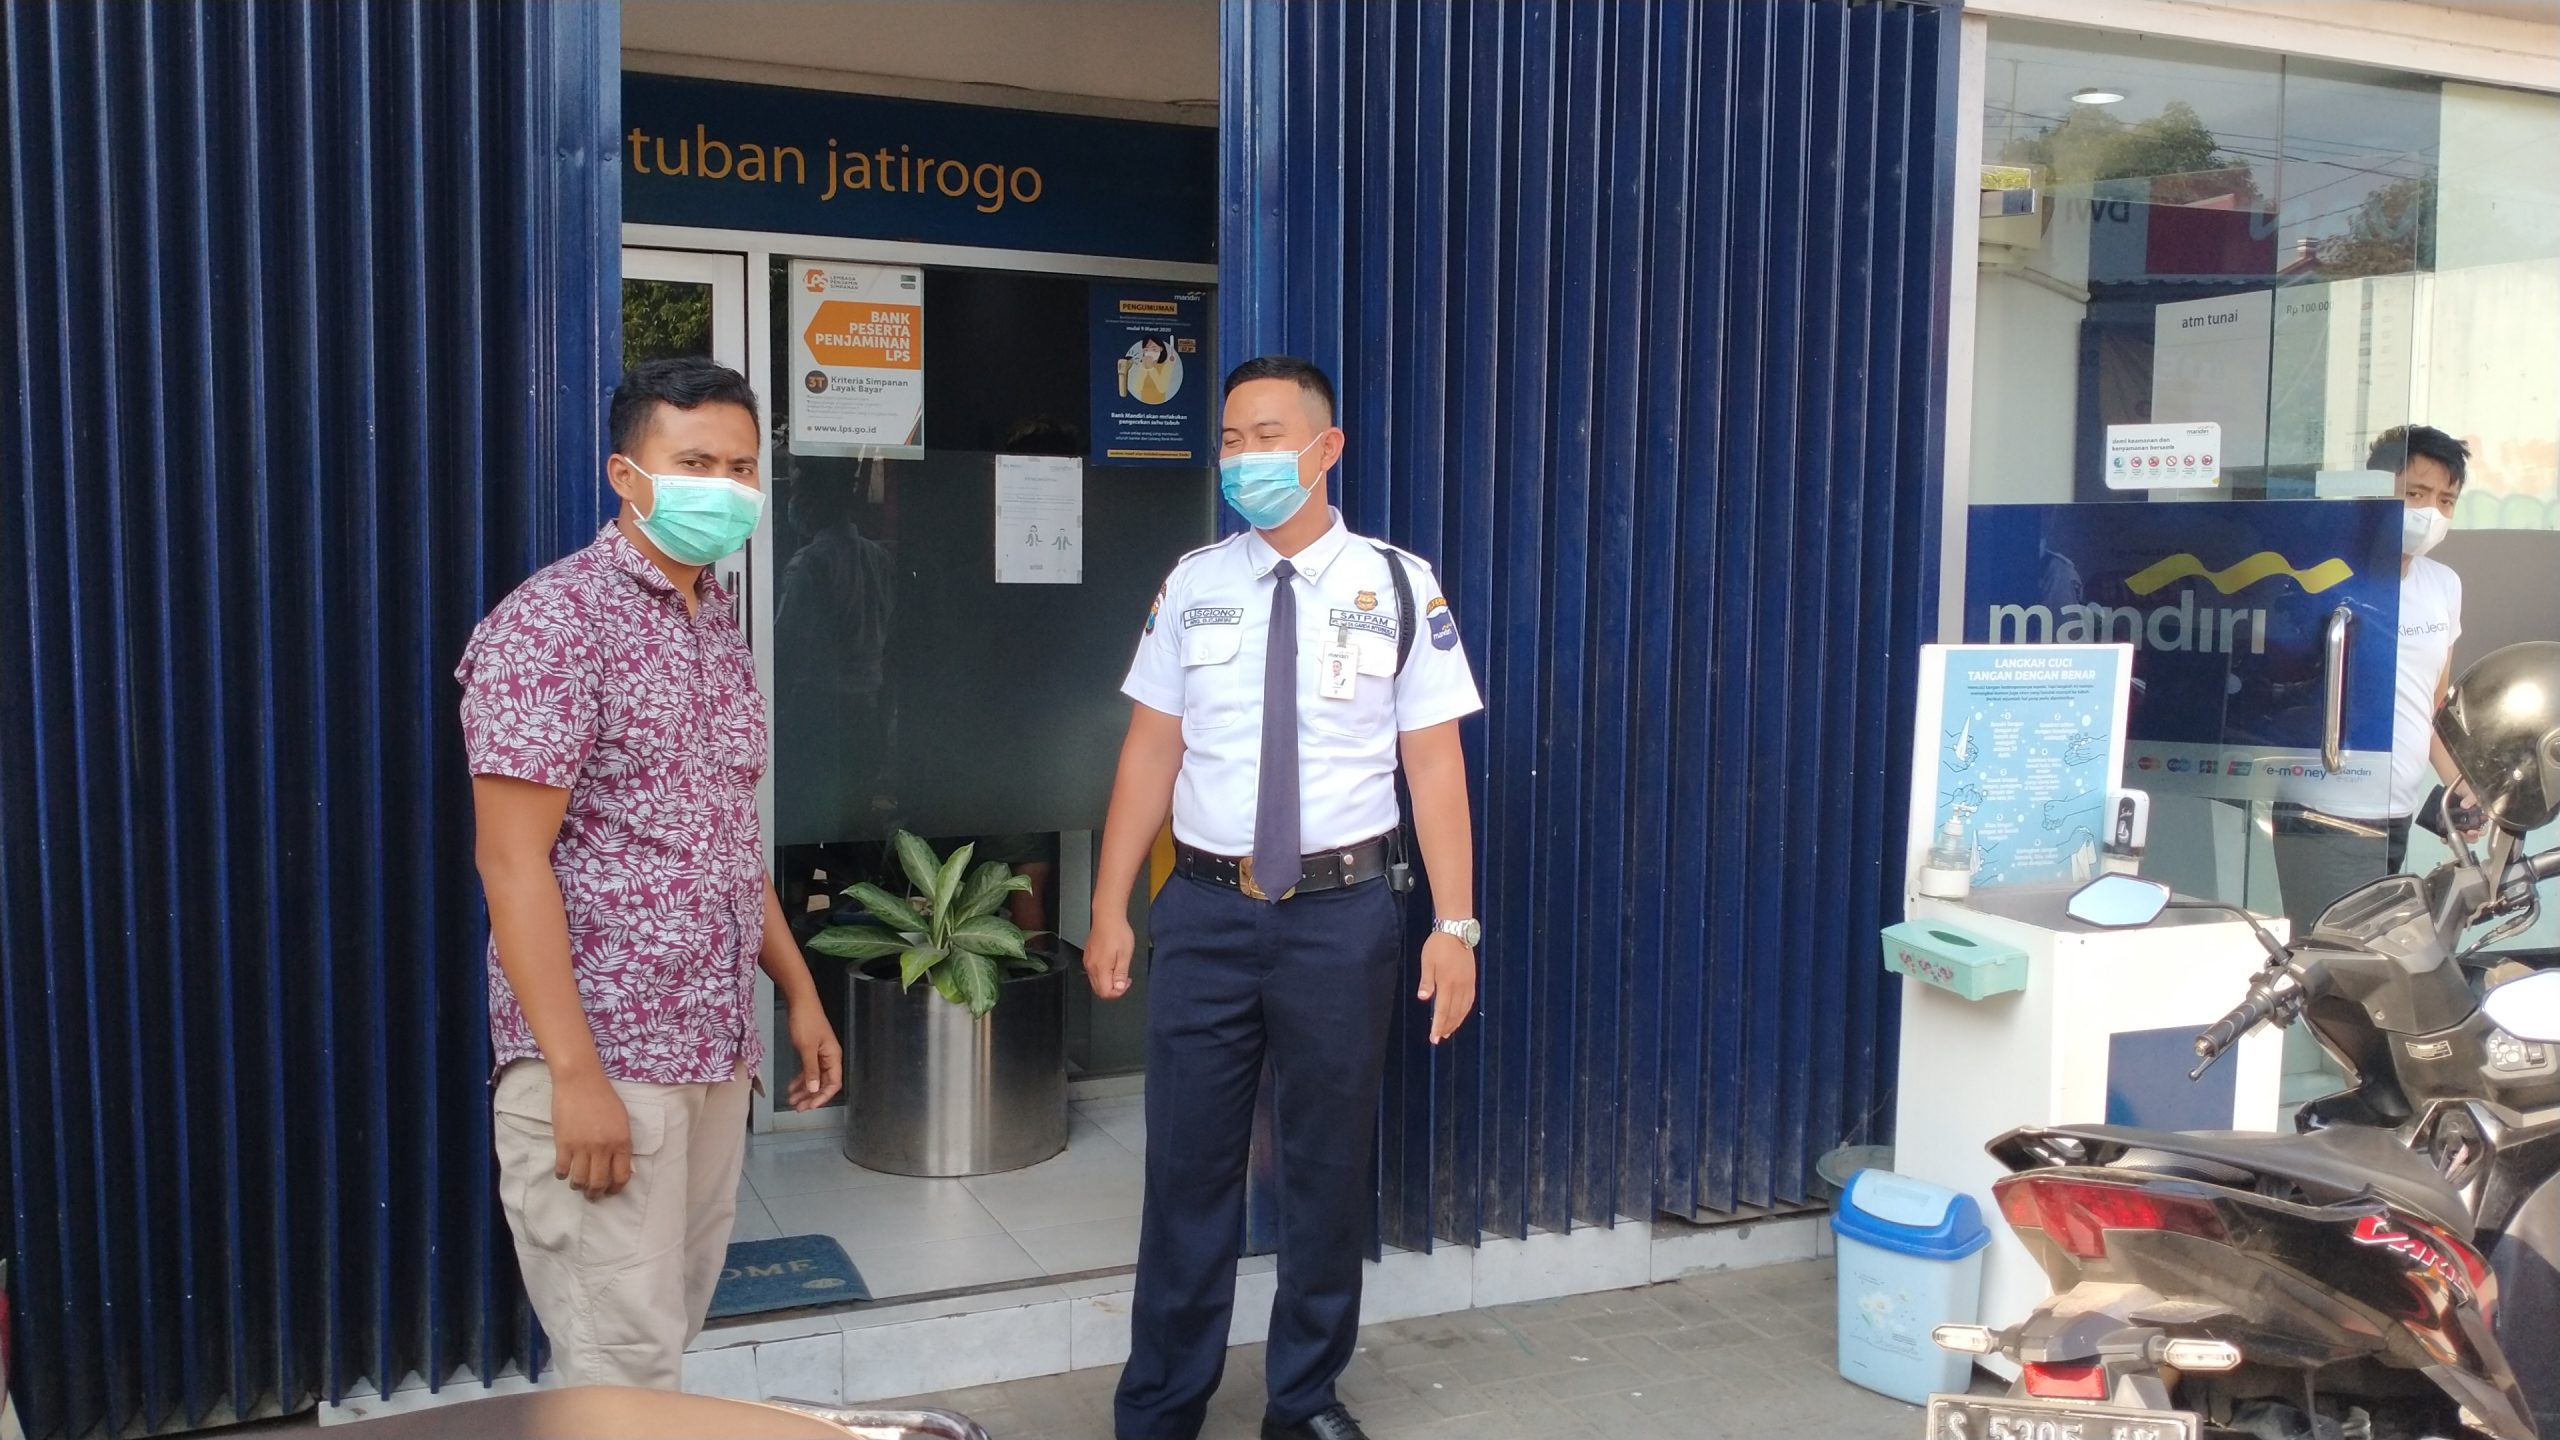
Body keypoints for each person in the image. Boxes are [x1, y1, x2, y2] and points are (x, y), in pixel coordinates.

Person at [1087, 356, 1484, 1440]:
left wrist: (1454, 926)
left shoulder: (1396, 584)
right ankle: (1161, 1405)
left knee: (1325, 1172)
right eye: (1231, 440)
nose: (1245, 458)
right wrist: (1110, 903)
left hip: (1341, 920)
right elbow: (1149, 752)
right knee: (1187, 1173)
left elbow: (1434, 767)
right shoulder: (1193, 582)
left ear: (1325, 448)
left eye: (1268, 436)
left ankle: (1303, 1399)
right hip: (1205, 913)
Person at [458, 356, 844, 1389]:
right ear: (626, 475)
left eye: (742, 467)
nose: (725, 486)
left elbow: (726, 840)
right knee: (618, 1367)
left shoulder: (715, 625)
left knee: (659, 1340)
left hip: (711, 1051)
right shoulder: (552, 625)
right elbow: (510, 862)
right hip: (607, 1057)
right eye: (696, 463)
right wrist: (574, 1078)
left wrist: (798, 993)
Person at [2273, 423, 2477, 926]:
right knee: (2337, 961)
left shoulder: (2444, 585)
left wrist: (2462, 788)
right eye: (2416, 493)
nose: (2430, 513)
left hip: (2396, 813)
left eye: (2446, 501)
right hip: (2324, 814)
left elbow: (2432, 705)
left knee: (2380, 958)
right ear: (2376, 492)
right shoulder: (2322, 577)